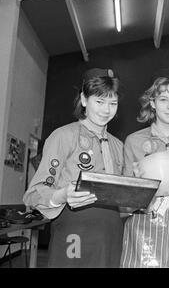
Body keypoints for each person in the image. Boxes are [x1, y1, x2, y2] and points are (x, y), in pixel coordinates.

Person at [23, 68, 124, 267]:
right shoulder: (63, 136)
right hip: (75, 232)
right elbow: (34, 194)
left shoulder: (119, 145)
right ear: (84, 100)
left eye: (113, 103)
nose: (106, 110)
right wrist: (61, 195)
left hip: (112, 236)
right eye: (100, 101)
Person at [120, 69, 169, 268]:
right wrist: (136, 189)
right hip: (141, 235)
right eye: (163, 100)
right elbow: (124, 204)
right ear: (152, 103)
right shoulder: (134, 141)